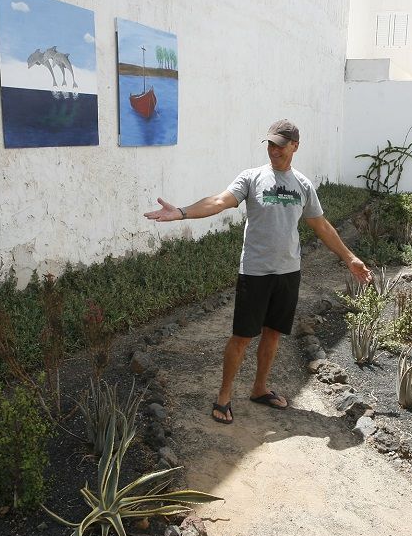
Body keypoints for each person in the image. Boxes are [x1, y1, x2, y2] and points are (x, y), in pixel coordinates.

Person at [144, 119, 372, 424]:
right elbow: (219, 201)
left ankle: (260, 388)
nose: (274, 150)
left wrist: (350, 257)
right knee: (242, 337)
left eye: (280, 144)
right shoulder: (251, 178)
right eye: (270, 144)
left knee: (273, 333)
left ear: (295, 146)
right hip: (255, 272)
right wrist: (182, 212)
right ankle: (224, 396)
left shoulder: (302, 185)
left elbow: (321, 225)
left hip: (288, 272)